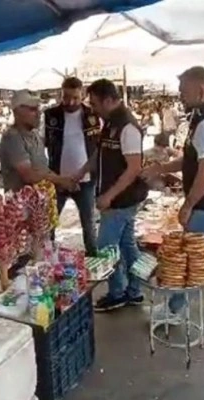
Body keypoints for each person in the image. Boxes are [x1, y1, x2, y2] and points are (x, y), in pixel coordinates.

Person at [142, 66, 204, 325]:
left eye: (184, 91)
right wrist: (161, 168)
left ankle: (174, 310)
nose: (180, 96)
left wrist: (188, 205)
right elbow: (191, 159)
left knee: (184, 256)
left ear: (201, 90)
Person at [73, 79, 148, 312]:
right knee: (127, 246)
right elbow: (100, 153)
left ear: (108, 100)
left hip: (121, 200)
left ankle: (118, 292)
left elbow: (134, 168)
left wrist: (109, 196)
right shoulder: (110, 123)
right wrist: (81, 172)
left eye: (95, 104)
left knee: (106, 248)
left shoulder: (127, 127)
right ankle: (134, 290)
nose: (93, 109)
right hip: (118, 198)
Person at [43, 77, 100, 255]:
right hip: (58, 179)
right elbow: (42, 143)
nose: (70, 102)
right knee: (49, 222)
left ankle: (93, 256)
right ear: (61, 94)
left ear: (82, 95)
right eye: (66, 97)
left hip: (86, 180)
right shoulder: (50, 115)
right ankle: (47, 256)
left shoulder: (92, 115)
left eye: (75, 97)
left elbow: (99, 146)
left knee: (88, 222)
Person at [0, 90, 77, 193]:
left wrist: (62, 181)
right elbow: (29, 175)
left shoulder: (34, 134)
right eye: (33, 109)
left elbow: (43, 169)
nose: (39, 114)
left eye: (38, 109)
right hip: (21, 200)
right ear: (17, 112)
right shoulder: (12, 138)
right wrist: (59, 180)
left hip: (40, 198)